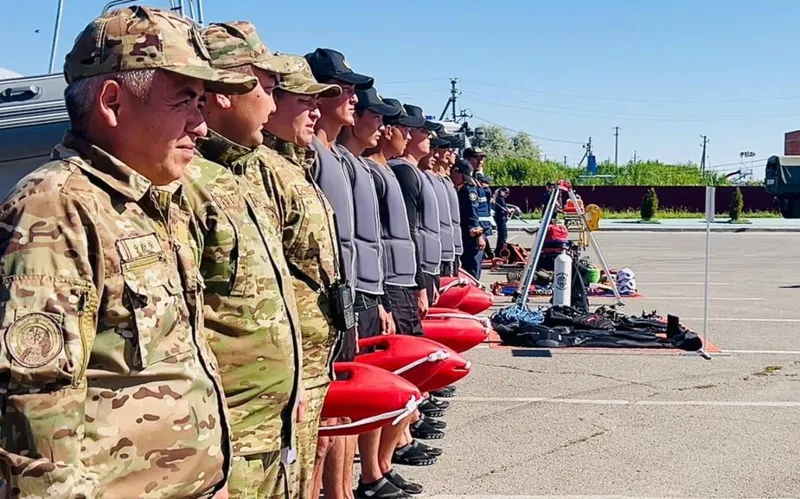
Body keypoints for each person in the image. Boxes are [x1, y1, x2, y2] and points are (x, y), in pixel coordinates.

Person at [0, 6, 258, 497]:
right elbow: (35, 409)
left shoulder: (152, 202)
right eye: (185, 101)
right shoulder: (55, 209)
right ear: (113, 102)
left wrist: (213, 473)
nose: (202, 126)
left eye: (203, 103)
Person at [181, 21, 305, 499]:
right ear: (225, 92)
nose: (273, 106)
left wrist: (292, 384)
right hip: (228, 438)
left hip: (269, 424)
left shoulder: (239, 176)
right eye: (267, 90)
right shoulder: (186, 184)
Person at [260, 56, 343, 499]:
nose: (315, 110)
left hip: (310, 357)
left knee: (305, 464)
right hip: (284, 365)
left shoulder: (297, 167)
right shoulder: (263, 172)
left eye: (317, 102)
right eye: (304, 101)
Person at [339, 87, 427, 498]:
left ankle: (378, 469)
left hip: (381, 287)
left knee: (381, 386)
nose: (385, 126)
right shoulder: (350, 166)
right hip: (366, 292)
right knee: (353, 402)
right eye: (377, 117)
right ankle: (368, 476)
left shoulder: (372, 169)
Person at [304, 47, 373, 499]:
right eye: (342, 89)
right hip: (322, 301)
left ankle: (343, 491)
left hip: (346, 296)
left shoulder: (336, 157)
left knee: (342, 413)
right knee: (321, 428)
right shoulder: (307, 154)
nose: (353, 98)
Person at [389, 105, 442, 312]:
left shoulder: (416, 173)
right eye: (423, 130)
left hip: (425, 268)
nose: (429, 137)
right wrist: (420, 283)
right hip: (413, 271)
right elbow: (409, 229)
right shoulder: (404, 172)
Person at [428, 134, 457, 277]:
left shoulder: (443, 180)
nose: (450, 153)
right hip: (436, 252)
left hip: (447, 248)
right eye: (444, 148)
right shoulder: (427, 178)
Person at [453, 159, 485, 279]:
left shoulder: (468, 190)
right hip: (464, 234)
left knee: (471, 270)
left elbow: (473, 214)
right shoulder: (459, 189)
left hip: (471, 236)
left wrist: (478, 236)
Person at [464, 147, 493, 265]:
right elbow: (472, 210)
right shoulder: (468, 182)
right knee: (472, 266)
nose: (480, 161)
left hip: (482, 229)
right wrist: (478, 235)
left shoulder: (477, 180)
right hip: (474, 233)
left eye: (482, 158)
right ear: (468, 160)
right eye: (477, 158)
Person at [493, 187, 515, 255]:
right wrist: (510, 210)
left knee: (502, 235)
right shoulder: (500, 199)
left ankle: (498, 250)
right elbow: (504, 209)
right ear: (501, 192)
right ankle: (500, 250)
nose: (507, 194)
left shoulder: (499, 199)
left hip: (500, 218)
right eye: (506, 193)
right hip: (500, 219)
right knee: (503, 235)